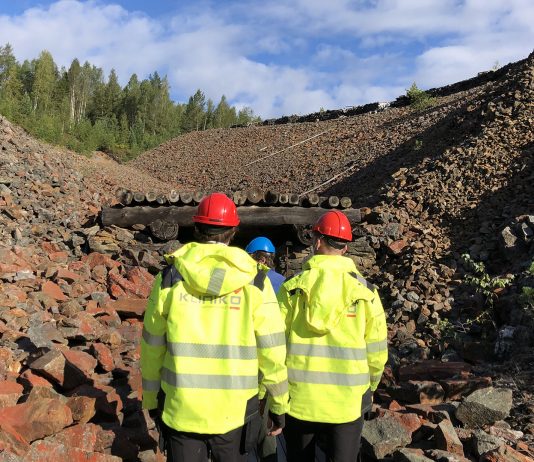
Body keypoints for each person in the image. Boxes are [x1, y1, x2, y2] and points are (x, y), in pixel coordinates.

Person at [141, 193, 289, 462]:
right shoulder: (256, 281)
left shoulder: (169, 278)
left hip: (181, 409)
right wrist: (278, 403)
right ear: (234, 231)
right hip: (237, 413)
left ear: (197, 228)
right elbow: (272, 349)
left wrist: (151, 399)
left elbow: (152, 347)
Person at [277, 210, 388, 462]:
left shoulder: (291, 289)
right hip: (347, 403)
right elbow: (377, 353)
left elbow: (274, 347)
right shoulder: (367, 293)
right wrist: (369, 387)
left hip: (299, 401)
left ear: (317, 242)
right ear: (345, 248)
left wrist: (274, 393)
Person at [244, 237, 286, 462]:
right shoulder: (283, 282)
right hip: (274, 357)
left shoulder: (244, 281)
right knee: (267, 424)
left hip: (248, 362)